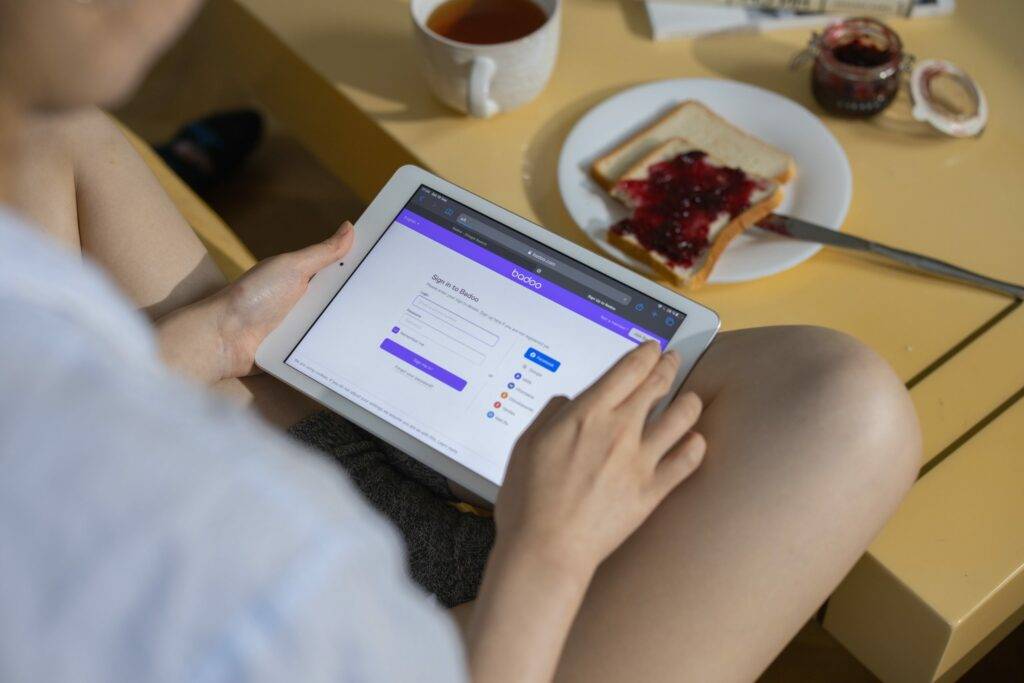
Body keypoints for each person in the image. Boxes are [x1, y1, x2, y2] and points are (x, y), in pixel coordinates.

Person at [0, 1, 921, 681]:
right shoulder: (233, 601)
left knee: (54, 137)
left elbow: (29, 444)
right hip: (469, 639)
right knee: (849, 406)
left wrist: (218, 337)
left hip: (259, 460)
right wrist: (548, 551)